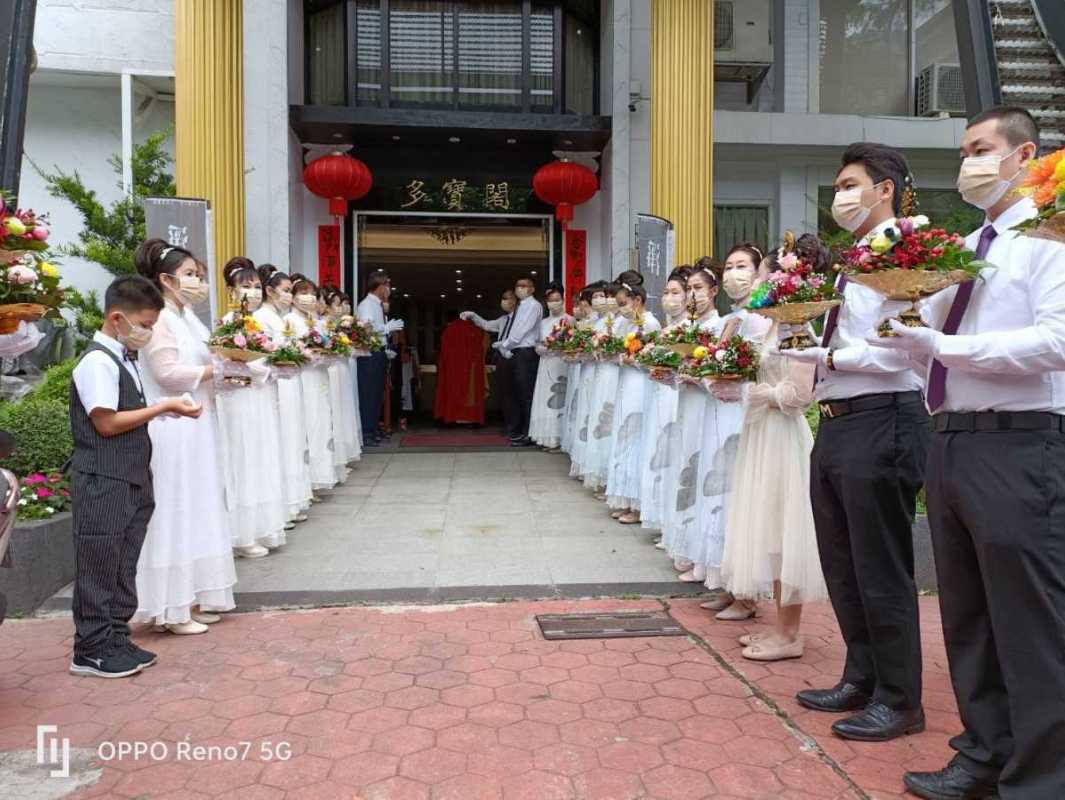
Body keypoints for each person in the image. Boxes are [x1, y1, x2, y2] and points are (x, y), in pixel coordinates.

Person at [870, 107, 1065, 800]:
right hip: (951, 439)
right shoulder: (961, 251)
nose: (968, 163)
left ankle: (1044, 779)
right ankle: (984, 752)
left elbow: (1056, 342)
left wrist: (944, 348)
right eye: (962, 151)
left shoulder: (1049, 240)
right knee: (968, 616)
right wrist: (907, 333)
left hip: (1020, 443)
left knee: (1028, 620)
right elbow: (925, 342)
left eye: (981, 148)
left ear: (1024, 156)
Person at [784, 143, 930, 742]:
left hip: (885, 416)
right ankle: (862, 674)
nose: (840, 196)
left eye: (850, 184)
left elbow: (907, 342)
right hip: (840, 417)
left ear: (884, 189)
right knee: (842, 559)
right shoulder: (856, 257)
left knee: (880, 563)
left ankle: (900, 700)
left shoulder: (910, 251)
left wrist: (833, 356)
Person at [68, 275, 202, 676]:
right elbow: (106, 423)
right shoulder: (96, 362)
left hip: (129, 476)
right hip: (103, 477)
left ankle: (114, 636)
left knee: (122, 562)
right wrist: (163, 408)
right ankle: (89, 649)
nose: (147, 332)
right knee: (98, 562)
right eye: (144, 324)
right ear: (116, 318)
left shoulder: (123, 358)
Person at [713, 238, 829, 661]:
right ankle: (781, 628)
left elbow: (800, 394)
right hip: (761, 433)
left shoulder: (800, 325)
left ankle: (789, 634)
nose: (754, 280)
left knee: (786, 533)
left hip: (782, 436)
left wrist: (755, 393)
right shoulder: (775, 324)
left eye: (762, 273)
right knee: (771, 533)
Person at [133, 240, 237, 635]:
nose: (197, 282)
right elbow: (168, 374)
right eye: (191, 275)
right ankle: (171, 607)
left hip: (197, 422)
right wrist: (216, 371)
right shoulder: (159, 319)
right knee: (175, 509)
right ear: (166, 279)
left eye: (199, 276)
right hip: (172, 426)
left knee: (198, 507)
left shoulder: (188, 316)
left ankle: (192, 595)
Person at [215, 258, 288, 558]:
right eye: (246, 287)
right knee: (242, 459)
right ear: (232, 292)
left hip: (260, 395)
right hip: (239, 398)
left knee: (261, 457)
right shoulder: (228, 323)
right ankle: (240, 533)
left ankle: (260, 526)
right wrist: (263, 366)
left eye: (257, 286)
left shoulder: (257, 322)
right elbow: (227, 362)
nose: (254, 293)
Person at [253, 267, 312, 523]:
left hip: (286, 381)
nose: (289, 296)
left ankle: (292, 500)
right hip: (274, 381)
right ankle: (284, 506)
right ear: (270, 291)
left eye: (290, 291)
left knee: (292, 439)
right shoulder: (261, 317)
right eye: (286, 291)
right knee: (284, 439)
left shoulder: (279, 318)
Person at [638, 268, 690, 543]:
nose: (669, 298)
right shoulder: (666, 328)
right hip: (660, 392)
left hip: (676, 396)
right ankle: (661, 518)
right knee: (657, 450)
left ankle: (673, 523)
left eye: (676, 293)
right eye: (667, 293)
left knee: (672, 452)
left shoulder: (689, 329)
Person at [605, 279, 660, 522]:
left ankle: (637, 505)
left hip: (640, 385)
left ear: (637, 300)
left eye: (623, 303)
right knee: (625, 436)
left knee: (635, 436)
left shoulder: (649, 323)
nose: (621, 308)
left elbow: (652, 359)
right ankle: (626, 500)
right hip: (627, 382)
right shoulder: (629, 323)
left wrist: (632, 360)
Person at [285, 276, 337, 489]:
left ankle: (319, 476)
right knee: (308, 424)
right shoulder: (290, 320)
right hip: (303, 376)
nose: (309, 298)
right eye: (303, 293)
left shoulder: (313, 321)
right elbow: (289, 349)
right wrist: (306, 353)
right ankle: (307, 481)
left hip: (319, 375)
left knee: (321, 423)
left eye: (312, 294)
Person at [462, 288, 518, 437]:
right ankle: (509, 426)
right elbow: (487, 325)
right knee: (504, 394)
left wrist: (506, 345)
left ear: (516, 301)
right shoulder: (503, 319)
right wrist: (473, 316)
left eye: (508, 298)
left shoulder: (521, 318)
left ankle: (517, 427)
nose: (505, 301)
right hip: (501, 358)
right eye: (504, 298)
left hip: (515, 357)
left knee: (516, 394)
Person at [357, 271, 403, 446]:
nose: (389, 289)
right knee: (369, 393)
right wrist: (386, 328)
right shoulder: (367, 305)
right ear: (379, 286)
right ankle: (367, 431)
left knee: (377, 394)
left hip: (378, 352)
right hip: (369, 355)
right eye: (387, 286)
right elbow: (366, 330)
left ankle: (374, 427)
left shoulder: (378, 305)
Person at [529, 282, 573, 451]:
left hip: (561, 364)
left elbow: (574, 344)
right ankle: (546, 437)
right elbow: (537, 343)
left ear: (563, 300)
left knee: (560, 398)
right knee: (545, 397)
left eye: (557, 299)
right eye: (550, 300)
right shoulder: (543, 323)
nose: (553, 303)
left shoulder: (569, 320)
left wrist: (558, 347)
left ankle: (560, 438)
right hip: (545, 363)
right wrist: (542, 348)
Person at [435, 310, 487, 425]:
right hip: (470, 368)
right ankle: (471, 418)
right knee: (470, 392)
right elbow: (480, 350)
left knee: (453, 390)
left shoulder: (448, 331)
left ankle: (452, 416)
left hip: (452, 369)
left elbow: (442, 352)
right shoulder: (476, 331)